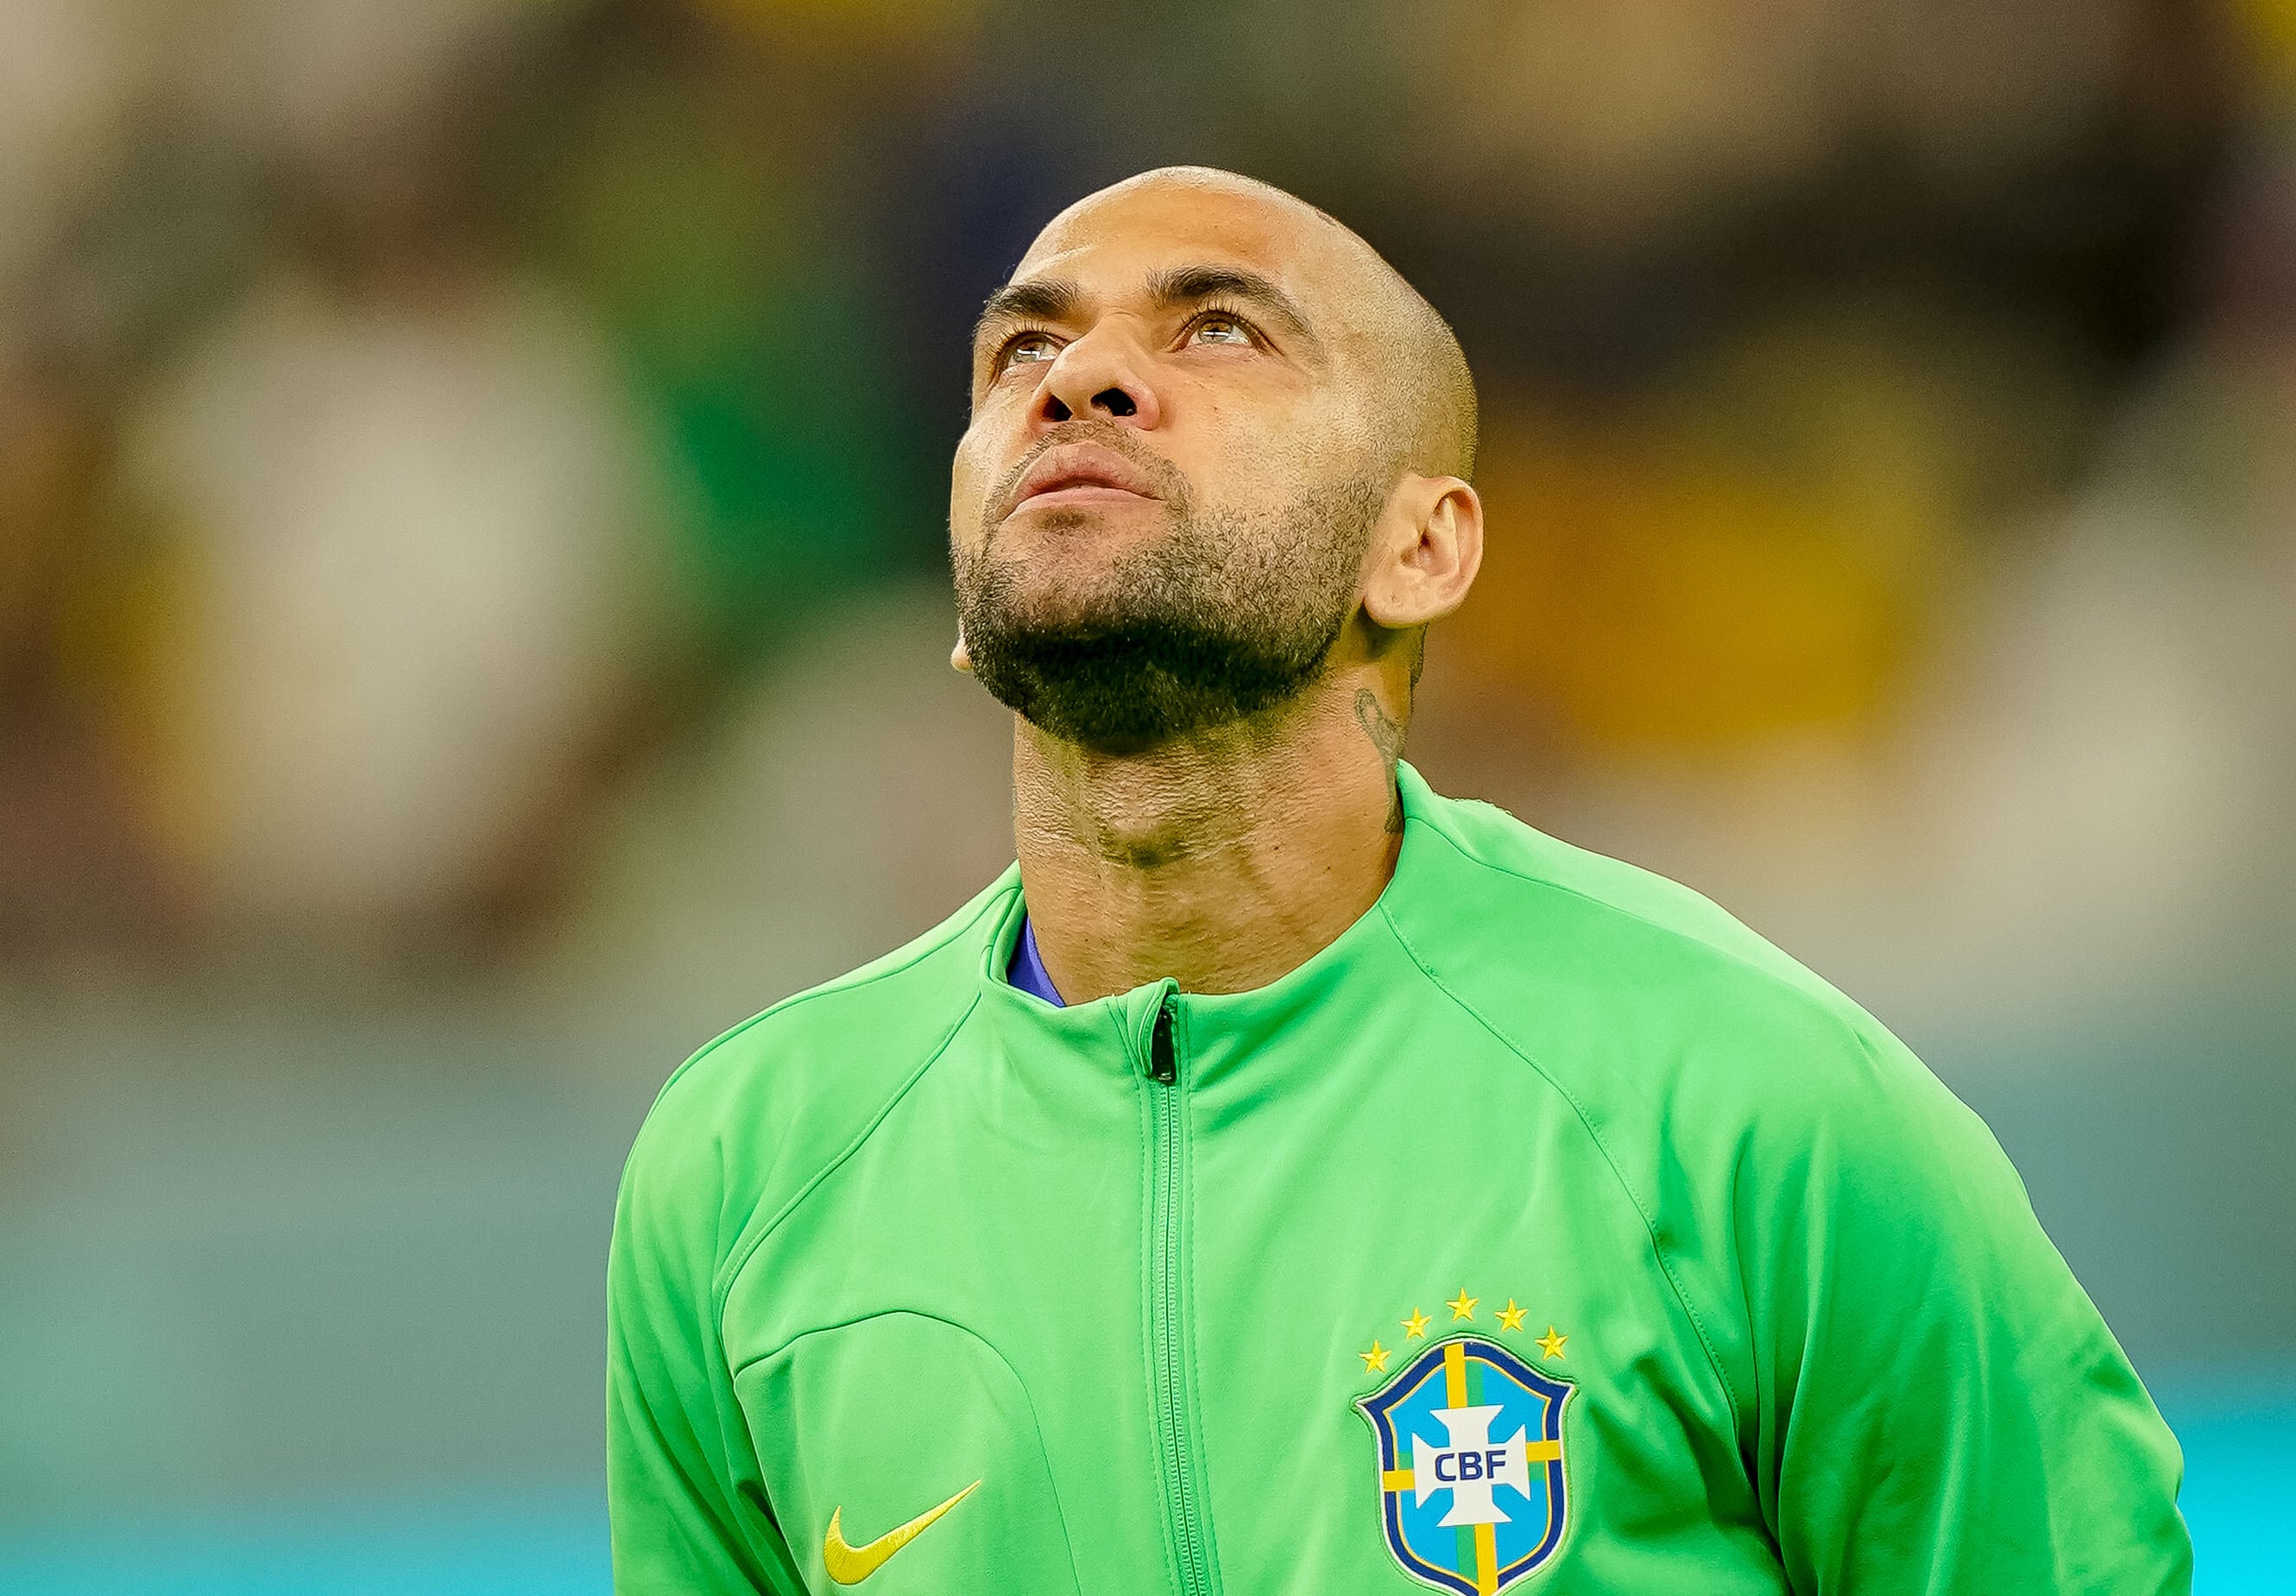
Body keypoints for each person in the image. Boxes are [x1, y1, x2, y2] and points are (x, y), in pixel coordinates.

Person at [607, 167, 2192, 1594]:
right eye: (1021, 351)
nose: (1078, 378)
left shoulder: (1748, 1108)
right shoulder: (747, 1173)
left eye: (1220, 332)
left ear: (1421, 549)